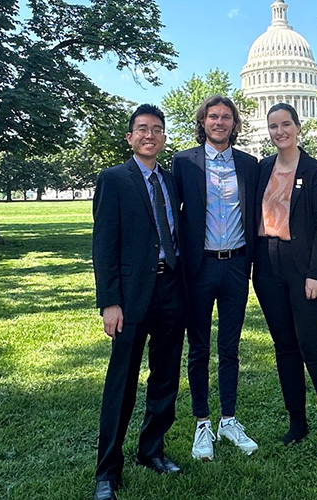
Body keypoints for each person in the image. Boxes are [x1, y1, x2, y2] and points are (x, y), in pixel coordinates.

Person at [91, 104, 185, 500]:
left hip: (171, 291)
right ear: (130, 138)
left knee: (164, 377)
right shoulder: (113, 179)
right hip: (130, 299)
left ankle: (151, 450)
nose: (150, 135)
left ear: (163, 137)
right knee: (122, 381)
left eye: (157, 129)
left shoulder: (171, 180)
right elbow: (103, 244)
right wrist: (110, 302)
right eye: (142, 129)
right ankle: (107, 473)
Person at [252, 103, 317, 465]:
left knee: (316, 349)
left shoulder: (314, 170)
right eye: (274, 126)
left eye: (286, 124)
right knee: (285, 348)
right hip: (266, 266)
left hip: (303, 268)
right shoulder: (262, 168)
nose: (280, 132)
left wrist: (315, 273)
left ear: (297, 126)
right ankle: (297, 423)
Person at [171, 95, 261, 461]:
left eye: (226, 117)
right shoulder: (183, 162)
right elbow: (169, 211)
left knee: (229, 347)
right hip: (199, 267)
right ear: (203, 122)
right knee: (199, 349)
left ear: (234, 124)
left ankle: (229, 419)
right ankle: (202, 423)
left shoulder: (249, 164)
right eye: (213, 116)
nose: (220, 122)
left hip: (236, 266)